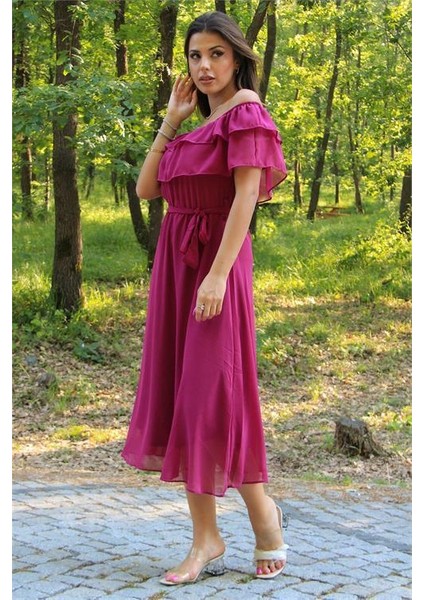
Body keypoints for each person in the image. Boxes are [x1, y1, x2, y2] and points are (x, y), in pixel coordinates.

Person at [121, 10, 288, 586]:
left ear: (237, 57)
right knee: (183, 397)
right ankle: (208, 537)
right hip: (177, 270)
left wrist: (217, 276)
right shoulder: (198, 125)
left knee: (210, 398)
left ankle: (262, 518)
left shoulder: (246, 113)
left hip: (216, 267)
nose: (205, 65)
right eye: (195, 55)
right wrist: (171, 120)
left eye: (216, 53)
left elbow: (245, 198)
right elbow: (148, 188)